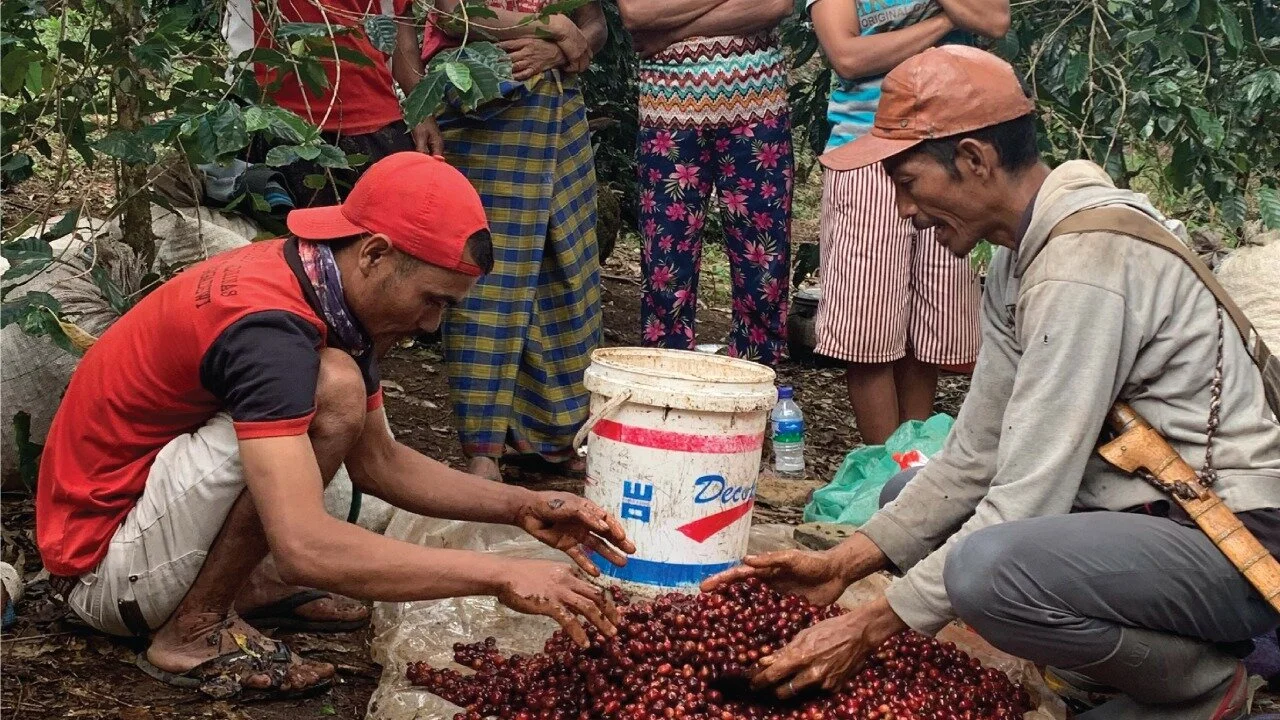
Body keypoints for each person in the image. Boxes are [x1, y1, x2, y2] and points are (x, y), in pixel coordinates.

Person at [704, 47, 1280, 720]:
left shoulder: (1081, 267)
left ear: (975, 159)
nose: (906, 211)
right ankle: (1128, 664)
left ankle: (1209, 688)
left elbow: (1026, 496)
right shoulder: (1020, 261)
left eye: (909, 182)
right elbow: (976, 455)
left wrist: (870, 625)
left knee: (985, 572)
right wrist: (845, 565)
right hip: (1143, 510)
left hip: (1231, 540)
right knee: (907, 495)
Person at [35, 153, 635, 698]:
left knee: (335, 400)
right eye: (433, 300)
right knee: (335, 390)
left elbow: (380, 464)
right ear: (374, 253)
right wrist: (501, 574)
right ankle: (193, 628)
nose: (430, 325)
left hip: (146, 521)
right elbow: (306, 548)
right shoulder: (272, 330)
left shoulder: (322, 284)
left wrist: (523, 505)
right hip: (104, 569)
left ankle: (243, 588)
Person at [807, 0, 1009, 444]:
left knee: (927, 329)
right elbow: (849, 57)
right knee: (868, 328)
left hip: (952, 150)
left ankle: (911, 463)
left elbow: (994, 20)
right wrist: (945, 20)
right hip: (866, 148)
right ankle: (883, 467)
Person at [426, 0, 608, 482]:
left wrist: (569, 45)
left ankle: (559, 435)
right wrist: (555, 26)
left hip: (559, 111)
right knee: (486, 274)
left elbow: (595, 23)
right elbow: (452, 14)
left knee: (566, 267)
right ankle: (484, 446)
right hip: (481, 115)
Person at [619, 0, 796, 366]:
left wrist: (672, 32)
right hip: (667, 109)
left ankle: (753, 388)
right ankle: (665, 387)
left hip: (757, 107)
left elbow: (776, 4)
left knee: (764, 268)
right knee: (665, 269)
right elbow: (637, 14)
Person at [224, 0, 444, 206]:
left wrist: (421, 111)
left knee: (381, 238)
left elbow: (398, 27)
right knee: (278, 240)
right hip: (271, 119)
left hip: (372, 118)